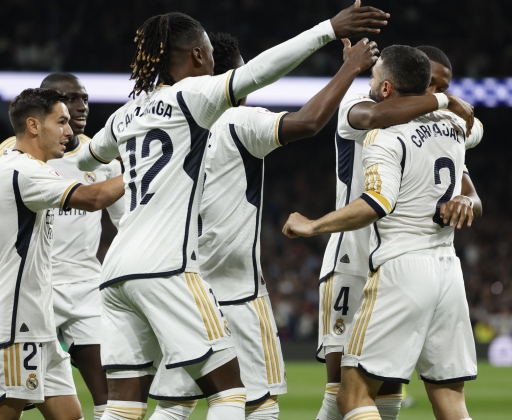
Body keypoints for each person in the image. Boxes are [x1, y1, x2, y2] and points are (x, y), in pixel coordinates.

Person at [76, 4, 389, 419]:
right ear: (198, 57)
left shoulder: (127, 115)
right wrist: (333, 39)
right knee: (240, 399)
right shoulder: (221, 111)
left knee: (136, 406)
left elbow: (88, 156)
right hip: (196, 279)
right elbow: (297, 110)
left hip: (116, 271)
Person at [147, 30, 379, 420]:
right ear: (233, 76)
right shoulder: (237, 120)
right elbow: (307, 122)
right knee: (259, 405)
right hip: (236, 290)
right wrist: (350, 69)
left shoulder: (168, 125)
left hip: (181, 288)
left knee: (174, 407)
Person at [283, 45, 483, 420]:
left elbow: (380, 201)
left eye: (443, 86)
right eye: (434, 85)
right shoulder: (360, 107)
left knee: (370, 392)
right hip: (352, 259)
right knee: (342, 391)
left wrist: (312, 225)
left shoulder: (428, 125)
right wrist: (447, 103)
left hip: (395, 264)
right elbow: (377, 114)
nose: (438, 92)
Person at [0, 72, 122, 420]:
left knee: (71, 417)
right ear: (33, 125)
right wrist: (147, 165)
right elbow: (93, 197)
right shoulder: (25, 171)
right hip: (16, 323)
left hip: (38, 323)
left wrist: (1, 254)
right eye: (61, 121)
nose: (70, 131)